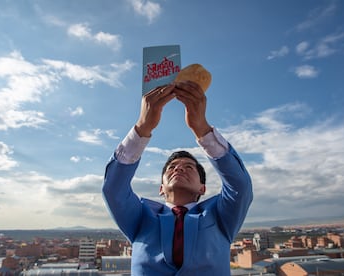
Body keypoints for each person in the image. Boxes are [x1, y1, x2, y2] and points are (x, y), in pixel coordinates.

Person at [102, 81, 253, 275]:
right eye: (171, 167)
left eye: (189, 167)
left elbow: (240, 185)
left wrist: (202, 128)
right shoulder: (140, 217)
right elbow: (113, 189)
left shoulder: (220, 216)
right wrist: (142, 127)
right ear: (161, 188)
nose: (179, 169)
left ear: (202, 188)